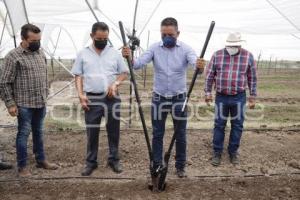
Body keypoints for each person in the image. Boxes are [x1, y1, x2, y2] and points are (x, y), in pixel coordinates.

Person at [122, 17, 206, 178]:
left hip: (179, 98)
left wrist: (200, 66)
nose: (167, 37)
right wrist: (129, 56)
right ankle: (157, 164)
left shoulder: (186, 49)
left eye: (171, 34)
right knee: (157, 133)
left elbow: (196, 65)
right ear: (160, 33)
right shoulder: (154, 48)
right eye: (164, 34)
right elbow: (137, 65)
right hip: (159, 98)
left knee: (180, 134)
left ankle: (180, 166)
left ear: (178, 33)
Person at [0, 24, 58, 177]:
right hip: (24, 103)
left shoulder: (40, 52)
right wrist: (10, 104)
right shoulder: (13, 56)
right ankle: (23, 166)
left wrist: (46, 92)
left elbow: (43, 75)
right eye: (33, 40)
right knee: (23, 134)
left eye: (39, 40)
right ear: (23, 39)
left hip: (40, 102)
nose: (37, 43)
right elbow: (4, 82)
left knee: (39, 132)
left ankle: (41, 160)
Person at [72, 22, 128, 176]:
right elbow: (78, 75)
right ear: (92, 36)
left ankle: (114, 159)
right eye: (99, 38)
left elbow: (124, 72)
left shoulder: (114, 53)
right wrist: (80, 94)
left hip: (112, 98)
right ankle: (91, 162)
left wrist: (115, 84)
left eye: (105, 38)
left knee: (114, 130)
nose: (102, 41)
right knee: (92, 132)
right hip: (92, 98)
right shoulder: (83, 53)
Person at [204, 32, 257, 166]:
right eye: (229, 45)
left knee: (237, 125)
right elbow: (210, 75)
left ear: (239, 45)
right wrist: (208, 93)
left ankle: (233, 152)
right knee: (219, 125)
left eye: (234, 45)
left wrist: (252, 96)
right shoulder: (217, 55)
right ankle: (217, 152)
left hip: (239, 96)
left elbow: (252, 78)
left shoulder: (248, 56)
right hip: (221, 96)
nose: (231, 47)